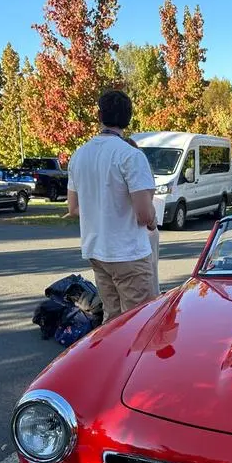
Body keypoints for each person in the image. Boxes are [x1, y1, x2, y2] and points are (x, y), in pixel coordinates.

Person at [67, 89, 157, 321]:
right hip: (128, 253)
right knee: (139, 321)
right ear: (128, 118)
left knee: (112, 319)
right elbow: (143, 214)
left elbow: (73, 208)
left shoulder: (79, 155)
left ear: (100, 115)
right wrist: (153, 219)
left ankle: (112, 357)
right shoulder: (131, 156)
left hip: (97, 250)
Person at [123, 134, 161, 297]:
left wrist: (151, 221)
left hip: (140, 231)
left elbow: (144, 214)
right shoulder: (140, 170)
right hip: (146, 229)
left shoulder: (131, 169)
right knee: (149, 275)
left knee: (144, 280)